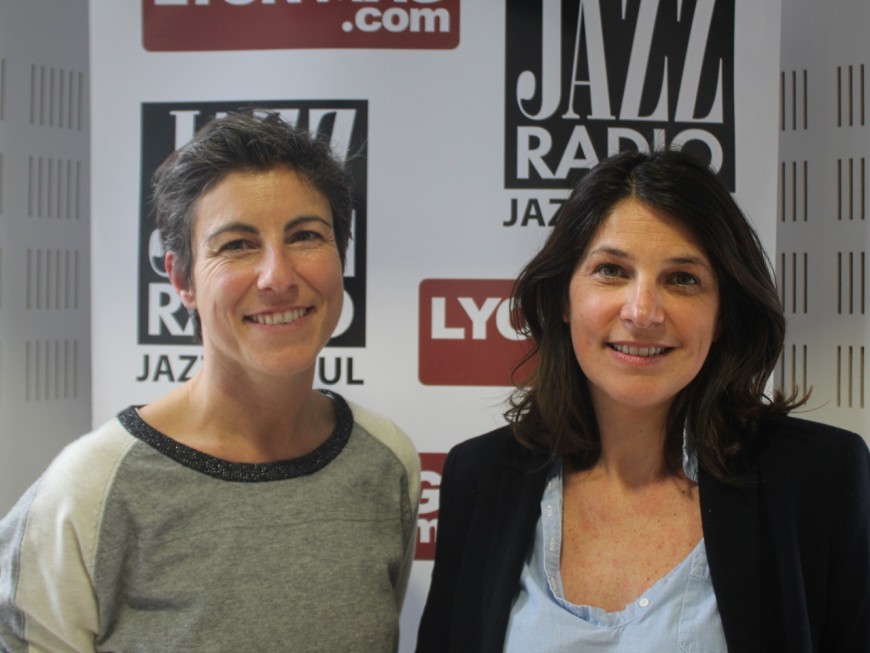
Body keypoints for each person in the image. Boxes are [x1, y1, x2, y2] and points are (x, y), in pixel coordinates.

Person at [416, 149, 869, 652]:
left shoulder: (817, 477)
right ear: (562, 298)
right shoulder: (480, 476)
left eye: (682, 279)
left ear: (724, 314)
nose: (642, 312)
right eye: (612, 270)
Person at [0, 111, 420, 652]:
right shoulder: (90, 489)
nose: (278, 277)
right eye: (237, 245)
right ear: (182, 279)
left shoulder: (386, 461)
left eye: (305, 236)